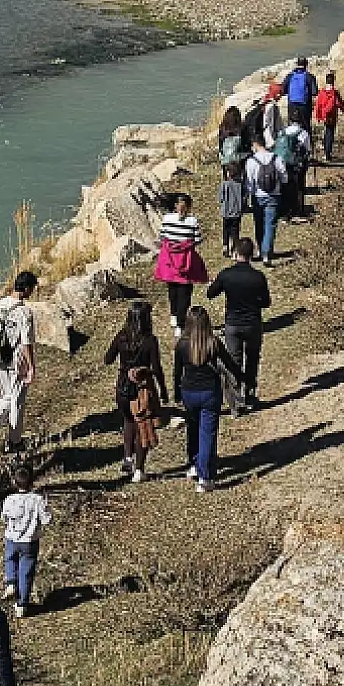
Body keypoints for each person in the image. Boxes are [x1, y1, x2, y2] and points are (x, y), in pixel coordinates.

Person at [173, 305, 242, 492]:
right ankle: (206, 477)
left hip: (189, 391)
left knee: (193, 430)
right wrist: (242, 378)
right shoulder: (213, 342)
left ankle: (194, 464)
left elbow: (177, 372)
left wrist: (176, 393)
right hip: (210, 392)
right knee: (207, 435)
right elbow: (229, 364)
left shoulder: (182, 344)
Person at [207, 237, 272, 414]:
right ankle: (250, 395)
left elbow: (210, 294)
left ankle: (236, 402)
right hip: (252, 323)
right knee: (252, 360)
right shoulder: (258, 277)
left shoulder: (226, 275)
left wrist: (214, 282)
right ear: (252, 254)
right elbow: (266, 302)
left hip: (233, 324)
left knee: (233, 362)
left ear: (236, 253)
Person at [105, 300, 167, 481]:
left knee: (128, 420)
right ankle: (139, 469)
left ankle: (127, 457)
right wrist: (162, 389)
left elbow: (107, 359)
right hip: (142, 390)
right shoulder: (150, 340)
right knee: (143, 425)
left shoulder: (121, 337)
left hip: (123, 387)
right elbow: (157, 368)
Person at [0, 272, 38, 451]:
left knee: (6, 396)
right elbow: (26, 342)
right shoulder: (24, 312)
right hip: (16, 361)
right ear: (27, 289)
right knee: (17, 400)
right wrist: (31, 366)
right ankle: (14, 441)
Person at [0, 466, 50, 619]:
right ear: (32, 483)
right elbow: (47, 520)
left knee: (9, 559)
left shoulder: (9, 499)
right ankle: (22, 604)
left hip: (11, 538)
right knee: (26, 571)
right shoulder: (38, 500)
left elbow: (4, 518)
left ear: (14, 482)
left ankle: (11, 583)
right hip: (29, 541)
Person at [153, 193, 207, 336]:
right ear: (188, 207)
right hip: (185, 261)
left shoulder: (166, 218)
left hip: (169, 260)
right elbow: (197, 239)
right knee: (185, 293)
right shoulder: (192, 221)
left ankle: (173, 315)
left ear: (174, 205)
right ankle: (180, 324)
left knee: (172, 288)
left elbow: (162, 237)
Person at [245, 138, 286, 266]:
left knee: (259, 223)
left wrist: (250, 194)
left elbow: (249, 182)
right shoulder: (277, 158)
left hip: (258, 196)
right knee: (270, 224)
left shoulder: (251, 161)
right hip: (274, 196)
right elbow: (284, 178)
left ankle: (260, 248)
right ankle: (266, 253)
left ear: (255, 145)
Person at [274, 112, 313, 220]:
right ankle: (298, 209)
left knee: (284, 185)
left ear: (290, 121)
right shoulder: (303, 133)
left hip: (282, 162)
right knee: (299, 185)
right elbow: (308, 149)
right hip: (297, 163)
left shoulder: (283, 132)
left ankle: (284, 210)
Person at [311, 72, 344, 162]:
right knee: (330, 134)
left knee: (326, 133)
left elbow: (318, 105)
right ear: (333, 81)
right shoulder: (334, 93)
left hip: (324, 116)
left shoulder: (322, 92)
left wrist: (318, 116)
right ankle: (328, 154)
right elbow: (340, 104)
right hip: (332, 116)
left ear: (326, 81)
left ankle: (325, 152)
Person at [218, 162, 248, 258]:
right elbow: (245, 197)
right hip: (237, 213)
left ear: (228, 173)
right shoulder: (241, 185)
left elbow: (220, 198)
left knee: (226, 230)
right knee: (235, 232)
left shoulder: (225, 184)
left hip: (226, 212)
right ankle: (235, 249)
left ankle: (225, 247)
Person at [283, 57, 319, 126]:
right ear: (306, 65)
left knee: (292, 127)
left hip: (292, 105)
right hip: (304, 106)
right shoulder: (309, 76)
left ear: (297, 64)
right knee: (305, 126)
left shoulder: (290, 76)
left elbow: (283, 90)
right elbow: (314, 92)